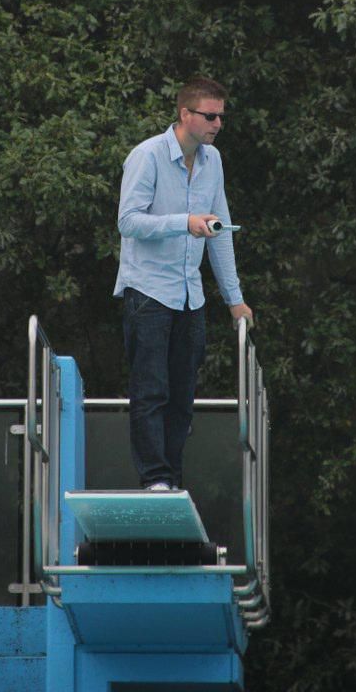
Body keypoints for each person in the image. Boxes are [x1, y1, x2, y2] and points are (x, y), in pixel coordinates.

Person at [113, 76, 253, 491]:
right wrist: (185, 224)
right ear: (185, 114)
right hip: (149, 293)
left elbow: (221, 230)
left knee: (182, 399)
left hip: (190, 297)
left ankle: (171, 480)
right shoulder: (148, 156)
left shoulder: (214, 162)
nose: (217, 124)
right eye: (210, 116)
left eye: (221, 117)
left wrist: (235, 300)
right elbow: (128, 221)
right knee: (151, 392)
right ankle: (154, 479)